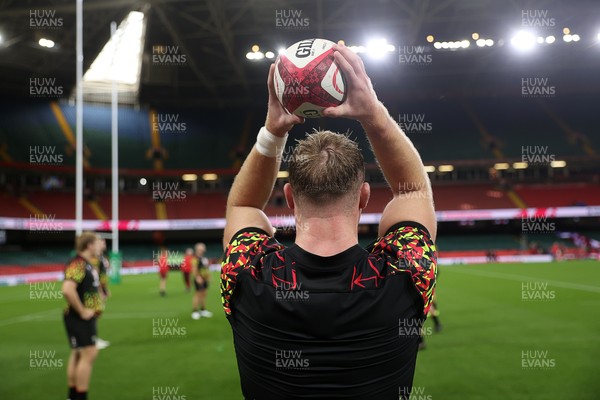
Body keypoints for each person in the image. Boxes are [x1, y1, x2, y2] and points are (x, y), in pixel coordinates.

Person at [221, 42, 437, 399]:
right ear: (364, 198)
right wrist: (373, 114)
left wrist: (273, 130)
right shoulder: (404, 274)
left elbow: (242, 205)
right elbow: (414, 194)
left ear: (289, 198)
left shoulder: (249, 271)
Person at [62, 231, 104, 400]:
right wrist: (82, 311)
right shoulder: (79, 263)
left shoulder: (86, 264)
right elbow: (67, 289)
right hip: (78, 318)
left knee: (78, 353)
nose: (101, 245)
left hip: (80, 318)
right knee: (89, 354)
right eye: (98, 242)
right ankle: (80, 396)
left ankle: (73, 396)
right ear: (89, 245)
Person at [92, 238, 111, 350]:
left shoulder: (101, 256)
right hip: (95, 290)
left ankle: (94, 338)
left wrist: (105, 289)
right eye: (101, 241)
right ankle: (92, 339)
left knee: (97, 314)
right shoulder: (95, 258)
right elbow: (95, 275)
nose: (104, 243)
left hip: (101, 287)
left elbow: (103, 272)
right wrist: (100, 291)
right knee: (95, 314)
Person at [191, 243, 213, 319]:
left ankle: (203, 310)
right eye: (201, 248)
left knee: (204, 294)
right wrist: (197, 277)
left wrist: (209, 277)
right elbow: (194, 268)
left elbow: (206, 268)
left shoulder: (203, 258)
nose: (203, 249)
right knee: (198, 294)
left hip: (204, 278)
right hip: (199, 278)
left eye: (203, 248)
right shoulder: (195, 258)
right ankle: (195, 311)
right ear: (197, 249)